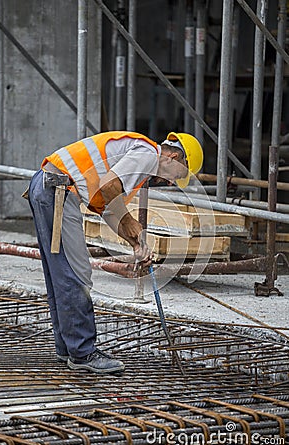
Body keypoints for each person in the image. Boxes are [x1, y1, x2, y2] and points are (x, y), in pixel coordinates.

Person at [28, 131, 203, 374]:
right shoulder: (148, 154)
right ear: (173, 157)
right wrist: (130, 220)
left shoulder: (139, 160)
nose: (172, 182)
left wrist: (135, 242)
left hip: (46, 186)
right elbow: (109, 187)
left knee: (60, 273)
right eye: (178, 175)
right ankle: (82, 352)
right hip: (58, 190)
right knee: (76, 275)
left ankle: (67, 347)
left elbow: (109, 209)